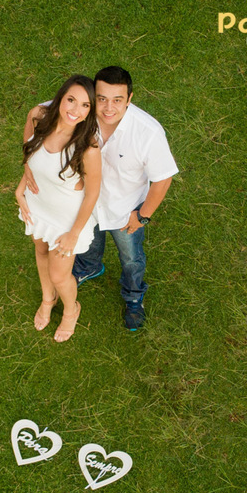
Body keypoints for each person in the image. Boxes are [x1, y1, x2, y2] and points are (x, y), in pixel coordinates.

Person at [23, 66, 178, 331]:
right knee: (89, 245)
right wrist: (27, 166)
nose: (108, 108)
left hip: (123, 210)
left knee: (130, 257)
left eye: (117, 100)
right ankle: (89, 267)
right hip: (82, 206)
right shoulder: (80, 113)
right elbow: (38, 113)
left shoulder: (148, 132)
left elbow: (163, 179)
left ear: (129, 99)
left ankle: (133, 297)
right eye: (102, 98)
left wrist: (142, 215)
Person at [14, 75, 102, 342]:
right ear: (60, 97)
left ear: (90, 111)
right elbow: (29, 152)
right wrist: (21, 187)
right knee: (40, 250)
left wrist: (74, 233)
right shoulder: (39, 117)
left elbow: (93, 193)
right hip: (38, 205)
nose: (75, 110)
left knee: (59, 274)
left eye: (85, 105)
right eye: (71, 100)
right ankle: (47, 299)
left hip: (67, 219)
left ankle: (71, 310)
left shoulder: (88, 146)